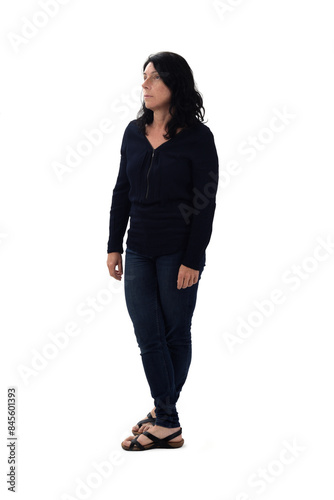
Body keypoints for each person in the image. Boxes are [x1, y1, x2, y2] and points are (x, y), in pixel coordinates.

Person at [106, 51, 219, 451]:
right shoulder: (133, 132)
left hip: (177, 252)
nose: (145, 85)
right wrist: (113, 244)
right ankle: (165, 416)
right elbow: (122, 189)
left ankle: (165, 419)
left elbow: (205, 203)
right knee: (148, 336)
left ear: (176, 84)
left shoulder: (197, 138)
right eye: (144, 77)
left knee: (174, 334)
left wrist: (194, 259)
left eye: (154, 78)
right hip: (137, 249)